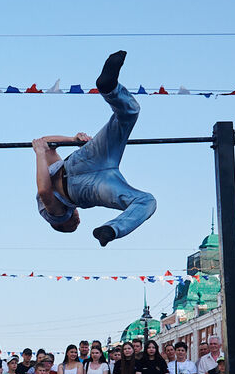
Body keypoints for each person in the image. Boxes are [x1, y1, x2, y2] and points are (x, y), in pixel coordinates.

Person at [32, 50, 156, 246]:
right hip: (94, 168)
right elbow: (47, 144)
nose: (77, 222)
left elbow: (44, 187)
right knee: (127, 115)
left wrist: (67, 141)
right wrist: (62, 143)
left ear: (61, 224)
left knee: (146, 201)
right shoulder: (62, 208)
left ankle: (109, 87)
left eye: (72, 226)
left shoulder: (55, 213)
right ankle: (111, 229)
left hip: (85, 182)